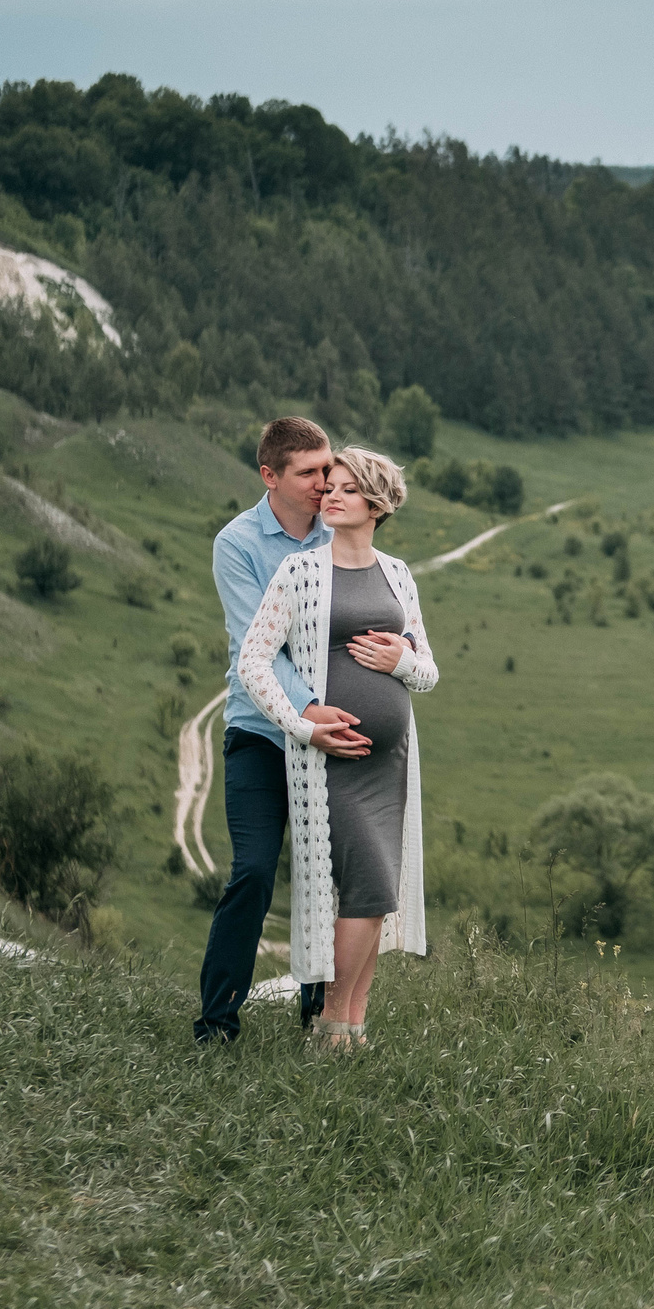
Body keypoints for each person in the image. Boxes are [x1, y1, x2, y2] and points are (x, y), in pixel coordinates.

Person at [236, 445, 436, 1044]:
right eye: (330, 486)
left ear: (375, 503)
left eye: (347, 488)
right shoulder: (300, 573)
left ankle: (353, 1024)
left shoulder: (398, 574)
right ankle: (329, 1022)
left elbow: (428, 670)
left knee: (377, 890)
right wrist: (303, 726)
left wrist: (403, 660)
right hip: (333, 762)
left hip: (391, 764)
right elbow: (254, 661)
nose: (331, 495)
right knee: (364, 883)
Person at [192, 416, 372, 1045]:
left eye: (329, 468)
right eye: (311, 472)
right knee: (254, 871)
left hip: (333, 729)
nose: (327, 483)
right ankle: (216, 1023)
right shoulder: (237, 544)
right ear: (270, 476)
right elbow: (254, 648)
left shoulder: (338, 533)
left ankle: (318, 1020)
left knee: (327, 873)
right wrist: (307, 711)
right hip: (261, 730)